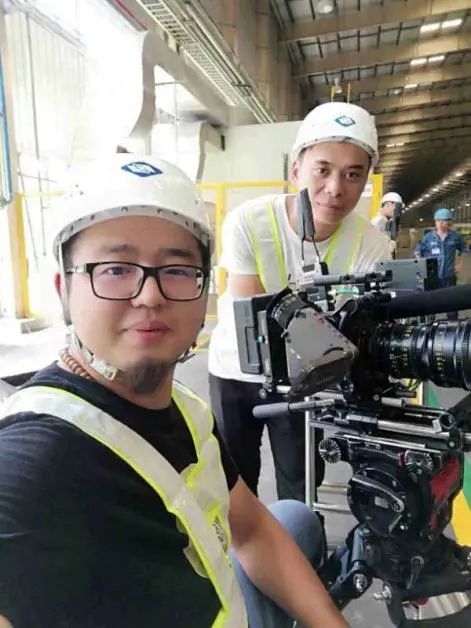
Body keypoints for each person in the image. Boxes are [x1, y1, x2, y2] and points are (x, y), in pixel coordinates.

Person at [0, 155, 347, 628]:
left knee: (292, 516)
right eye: (115, 269)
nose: (150, 295)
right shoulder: (38, 458)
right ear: (64, 290)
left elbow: (251, 528)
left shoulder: (185, 407)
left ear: (204, 294)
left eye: (178, 270)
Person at [208, 102, 391, 503]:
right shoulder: (248, 222)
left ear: (366, 181)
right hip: (235, 372)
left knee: (301, 487)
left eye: (353, 174)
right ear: (296, 171)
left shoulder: (372, 244)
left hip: (306, 383)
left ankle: (300, 540)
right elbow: (256, 315)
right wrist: (334, 329)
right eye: (322, 169)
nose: (336, 188)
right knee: (234, 488)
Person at [415, 207, 467, 320]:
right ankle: (429, 326)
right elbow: (418, 252)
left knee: (451, 305)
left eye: (443, 221)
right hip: (432, 278)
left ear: (449, 222)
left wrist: (460, 265)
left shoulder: (456, 237)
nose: (440, 223)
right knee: (431, 305)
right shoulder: (428, 237)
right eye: (438, 220)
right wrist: (423, 268)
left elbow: (464, 250)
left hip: (449, 276)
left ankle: (453, 325)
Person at [371, 191, 404, 258]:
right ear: (388, 204)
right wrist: (391, 246)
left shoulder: (386, 222)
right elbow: (375, 249)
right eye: (396, 208)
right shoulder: (378, 222)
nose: (397, 212)